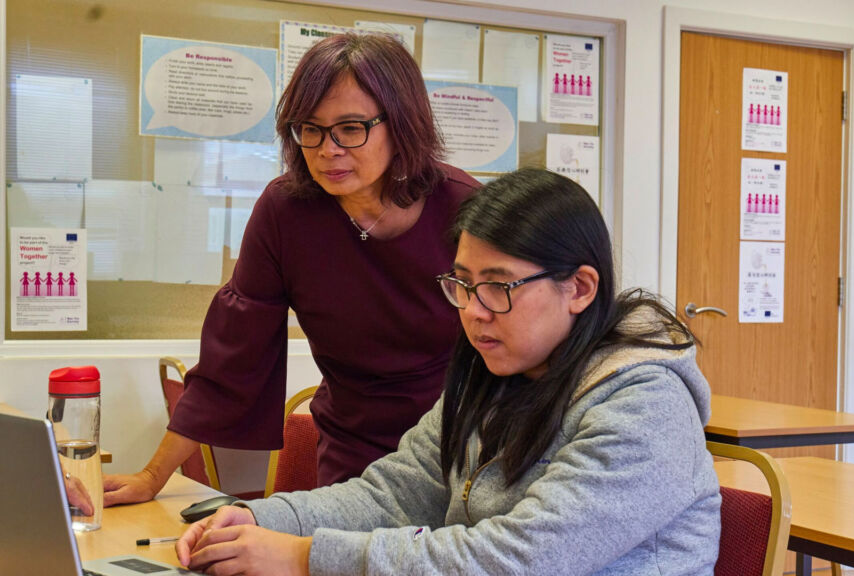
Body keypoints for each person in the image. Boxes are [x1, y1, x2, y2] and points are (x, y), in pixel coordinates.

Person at [175, 168, 721, 576]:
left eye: (499, 287)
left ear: (578, 288)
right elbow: (393, 495)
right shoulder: (495, 373)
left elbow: (523, 559)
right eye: (462, 283)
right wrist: (261, 521)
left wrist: (304, 557)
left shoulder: (645, 404)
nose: (474, 310)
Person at [104, 32, 478, 506]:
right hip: (353, 449)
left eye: (350, 128)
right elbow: (233, 356)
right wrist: (151, 477)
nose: (328, 150)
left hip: (462, 444)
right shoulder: (287, 211)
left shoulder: (466, 209)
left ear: (402, 123)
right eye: (311, 129)